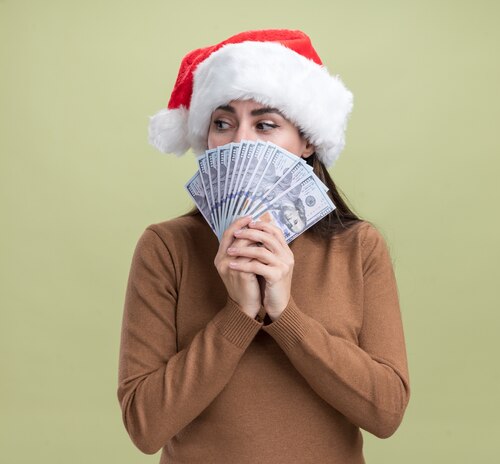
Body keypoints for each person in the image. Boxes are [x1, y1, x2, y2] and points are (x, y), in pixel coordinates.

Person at [117, 29, 410, 463]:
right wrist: (237, 315)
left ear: (307, 141)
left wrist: (285, 315)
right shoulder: (167, 247)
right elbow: (145, 426)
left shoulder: (358, 248)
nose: (241, 142)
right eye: (223, 122)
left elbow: (386, 413)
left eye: (266, 124)